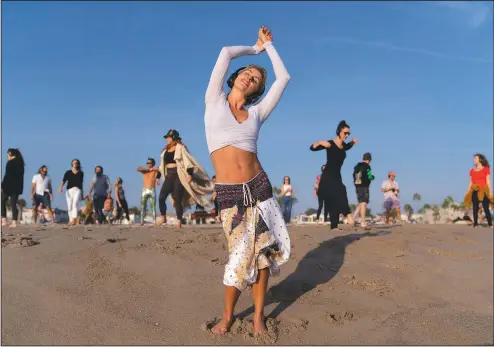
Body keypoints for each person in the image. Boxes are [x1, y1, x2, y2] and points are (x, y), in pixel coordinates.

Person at [204, 26, 291, 335]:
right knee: (239, 255)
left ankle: (257, 317)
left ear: (256, 91)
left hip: (260, 188)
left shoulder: (256, 113)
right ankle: (227, 316)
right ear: (236, 76)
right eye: (246, 73)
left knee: (264, 256)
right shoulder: (213, 101)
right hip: (229, 194)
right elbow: (226, 53)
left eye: (255, 79)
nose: (249, 78)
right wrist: (256, 49)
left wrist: (271, 49)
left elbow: (283, 79)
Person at [158, 129, 213, 228]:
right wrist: (158, 176)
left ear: (173, 138)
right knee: (161, 197)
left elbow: (188, 161)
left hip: (179, 176)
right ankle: (163, 217)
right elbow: (161, 166)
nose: (167, 139)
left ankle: (179, 220)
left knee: (178, 200)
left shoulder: (181, 148)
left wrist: (190, 174)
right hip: (168, 177)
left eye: (168, 137)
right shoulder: (165, 150)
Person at [310, 120, 357, 231]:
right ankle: (348, 214)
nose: (347, 135)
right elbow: (312, 148)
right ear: (339, 132)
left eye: (348, 133)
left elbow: (347, 147)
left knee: (333, 201)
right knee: (342, 190)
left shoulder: (343, 146)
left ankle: (334, 226)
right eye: (345, 133)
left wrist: (353, 142)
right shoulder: (330, 143)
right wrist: (319, 142)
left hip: (336, 175)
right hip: (328, 176)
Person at [464, 154, 492, 228]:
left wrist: (490, 192)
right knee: (475, 208)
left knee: (486, 208)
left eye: (475, 158)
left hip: (484, 191)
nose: (474, 160)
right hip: (475, 190)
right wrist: (468, 192)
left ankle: (490, 224)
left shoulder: (486, 169)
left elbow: (488, 182)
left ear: (480, 160)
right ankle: (475, 224)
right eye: (474, 159)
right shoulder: (472, 171)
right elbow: (471, 183)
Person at [1, 148, 25, 227]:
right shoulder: (21, 164)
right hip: (17, 187)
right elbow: (20, 178)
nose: (7, 156)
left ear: (11, 154)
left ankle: (4, 220)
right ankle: (14, 222)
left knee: (2, 201)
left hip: (8, 186)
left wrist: (2, 185)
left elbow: (7, 176)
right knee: (13, 204)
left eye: (8, 154)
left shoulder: (10, 163)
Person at [58, 159, 84, 225]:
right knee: (69, 206)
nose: (75, 164)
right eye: (74, 163)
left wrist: (82, 194)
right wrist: (60, 188)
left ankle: (74, 219)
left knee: (75, 204)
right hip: (69, 191)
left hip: (77, 190)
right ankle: (71, 220)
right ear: (72, 164)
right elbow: (63, 181)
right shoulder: (68, 172)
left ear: (78, 164)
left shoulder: (81, 173)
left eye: (76, 163)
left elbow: (81, 183)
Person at [352, 152, 375, 228]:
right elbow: (369, 176)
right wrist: (373, 177)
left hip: (357, 186)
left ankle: (352, 219)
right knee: (364, 203)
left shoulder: (357, 166)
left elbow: (354, 175)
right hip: (364, 186)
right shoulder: (367, 166)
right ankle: (363, 222)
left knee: (361, 203)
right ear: (369, 160)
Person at [137, 158, 161, 225]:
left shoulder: (155, 170)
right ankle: (142, 221)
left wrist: (157, 178)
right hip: (144, 190)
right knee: (142, 206)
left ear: (153, 163)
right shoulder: (144, 170)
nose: (148, 164)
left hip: (152, 189)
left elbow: (160, 170)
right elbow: (138, 168)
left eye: (149, 163)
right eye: (147, 163)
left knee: (153, 206)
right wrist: (150, 169)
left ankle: (154, 221)